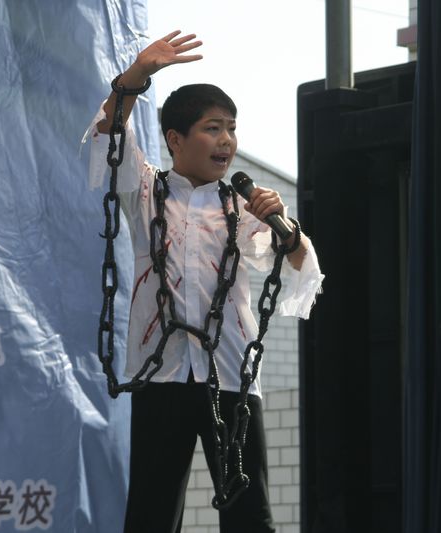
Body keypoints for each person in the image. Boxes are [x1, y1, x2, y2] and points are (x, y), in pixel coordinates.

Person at [85, 30, 323, 533]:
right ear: (175, 139)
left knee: (250, 516)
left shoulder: (244, 207)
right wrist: (137, 75)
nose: (226, 141)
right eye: (212, 128)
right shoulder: (146, 192)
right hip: (161, 375)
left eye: (231, 129)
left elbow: (302, 266)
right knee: (150, 516)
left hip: (232, 376)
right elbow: (110, 134)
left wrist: (286, 227)